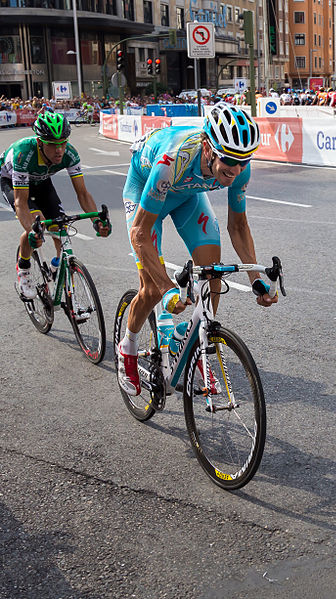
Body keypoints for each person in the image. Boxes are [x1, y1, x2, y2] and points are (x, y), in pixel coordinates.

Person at [117, 102, 278, 396]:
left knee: (213, 274)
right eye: (229, 162)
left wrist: (257, 278)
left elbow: (238, 227)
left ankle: (193, 341)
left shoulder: (238, 167)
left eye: (243, 162)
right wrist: (167, 289)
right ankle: (127, 347)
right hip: (146, 191)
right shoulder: (171, 162)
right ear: (208, 148)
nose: (237, 170)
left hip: (186, 197)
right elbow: (140, 234)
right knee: (152, 290)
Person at [0, 111, 110, 300]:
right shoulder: (23, 153)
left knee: (60, 225)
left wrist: (96, 220)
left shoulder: (70, 154)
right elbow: (21, 202)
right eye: (53, 144)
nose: (59, 150)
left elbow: (82, 193)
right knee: (37, 221)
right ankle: (24, 269)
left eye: (63, 143)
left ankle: (57, 265)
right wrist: (33, 230)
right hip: (13, 183)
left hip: (42, 182)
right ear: (40, 142)